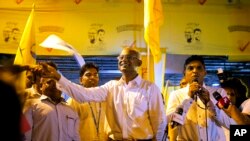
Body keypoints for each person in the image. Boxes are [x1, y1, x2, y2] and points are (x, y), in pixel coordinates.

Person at [36, 47, 167, 141]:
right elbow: (84, 94)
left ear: (139, 63)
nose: (123, 60)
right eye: (121, 57)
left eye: (129, 57)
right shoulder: (111, 87)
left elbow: (159, 121)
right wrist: (59, 77)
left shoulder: (150, 88)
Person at [166, 55, 236, 141]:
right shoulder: (176, 95)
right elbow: (170, 122)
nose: (195, 71)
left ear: (205, 72)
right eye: (190, 68)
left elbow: (230, 123)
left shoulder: (218, 92)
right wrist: (189, 99)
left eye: (199, 68)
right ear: (185, 73)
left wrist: (210, 104)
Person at [23, 61, 80, 141]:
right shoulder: (30, 105)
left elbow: (75, 137)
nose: (54, 85)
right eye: (49, 82)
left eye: (57, 83)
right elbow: (25, 136)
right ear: (41, 86)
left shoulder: (71, 110)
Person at [67, 62, 107, 141]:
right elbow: (69, 127)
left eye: (95, 75)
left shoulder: (104, 98)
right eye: (88, 75)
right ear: (81, 80)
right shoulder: (74, 100)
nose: (92, 77)